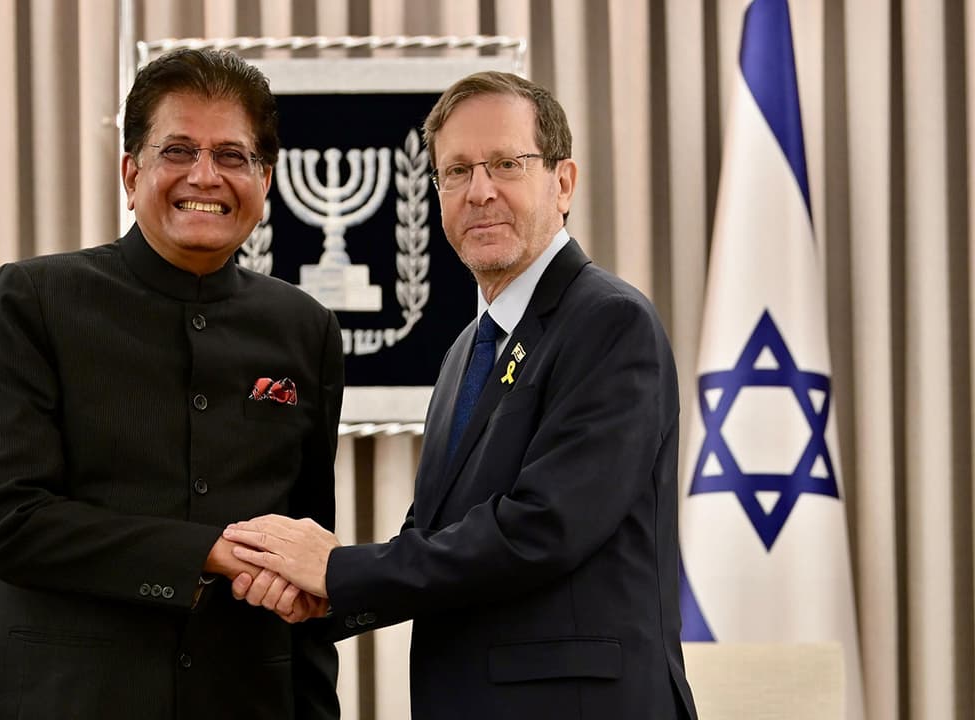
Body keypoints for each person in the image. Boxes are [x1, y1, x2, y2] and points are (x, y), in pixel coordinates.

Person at [225, 71, 698, 719]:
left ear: (563, 183)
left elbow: (542, 529)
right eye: (455, 171)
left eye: (506, 163)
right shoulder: (464, 353)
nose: (480, 191)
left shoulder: (609, 323)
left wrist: (339, 570)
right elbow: (436, 535)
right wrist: (328, 595)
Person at [0, 48, 341, 720]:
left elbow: (304, 549)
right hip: (64, 700)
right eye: (178, 151)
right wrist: (207, 553)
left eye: (232, 155)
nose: (205, 175)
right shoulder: (34, 300)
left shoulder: (303, 327)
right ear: (130, 173)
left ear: (266, 179)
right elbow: (10, 523)